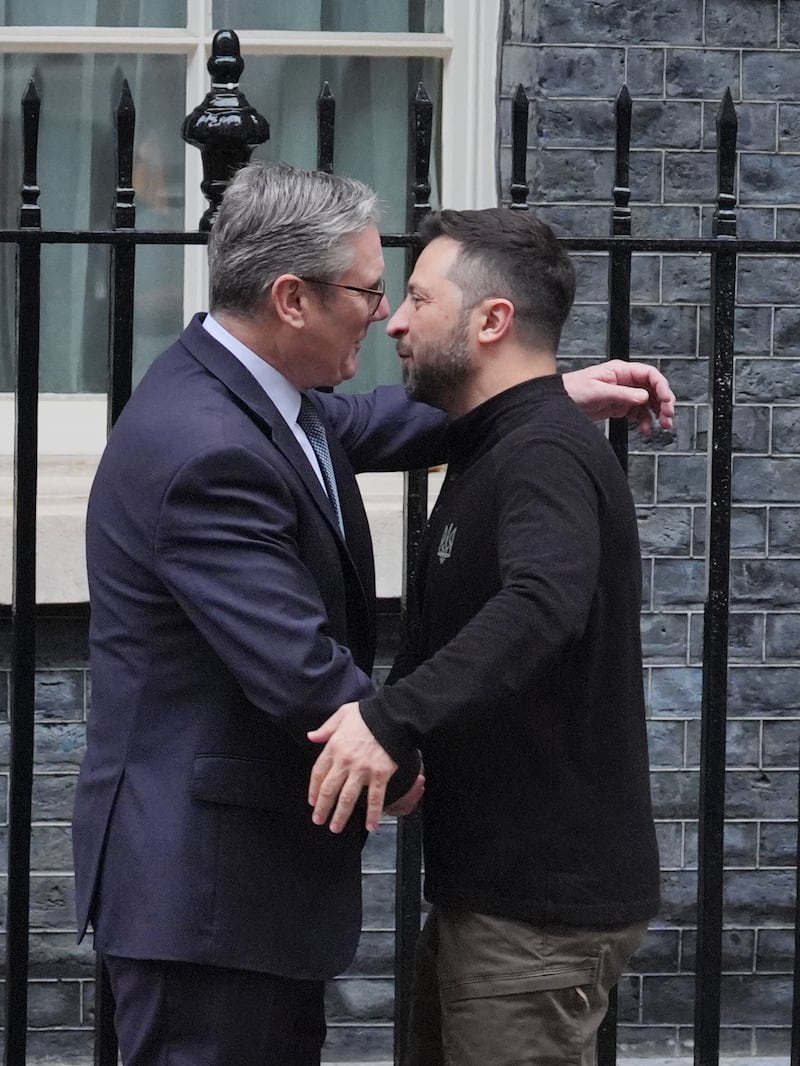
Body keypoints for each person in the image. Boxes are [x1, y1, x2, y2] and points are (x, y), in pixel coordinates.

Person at [72, 161, 672, 1066]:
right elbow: (295, 661)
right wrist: (392, 750)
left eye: (405, 295)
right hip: (206, 895)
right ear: (292, 299)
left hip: (237, 894)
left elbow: (363, 428)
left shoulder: (261, 402)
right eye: (368, 290)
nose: (385, 314)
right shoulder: (204, 446)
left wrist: (543, 397)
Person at [308, 208, 662, 1066]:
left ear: (491, 321)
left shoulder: (540, 452)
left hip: (536, 917)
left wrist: (392, 720)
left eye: (418, 299)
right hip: (499, 902)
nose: (393, 318)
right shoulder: (504, 445)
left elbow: (545, 600)